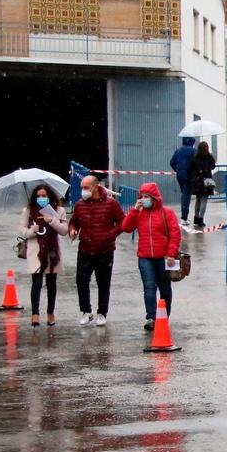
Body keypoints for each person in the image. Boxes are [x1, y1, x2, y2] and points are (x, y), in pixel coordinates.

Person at [121, 182, 182, 331]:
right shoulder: (139, 213)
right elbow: (126, 228)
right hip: (145, 257)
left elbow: (175, 234)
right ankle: (152, 317)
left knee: (164, 287)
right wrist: (134, 211)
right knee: (149, 287)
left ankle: (164, 316)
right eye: (142, 197)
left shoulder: (166, 213)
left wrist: (171, 253)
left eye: (147, 197)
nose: (144, 199)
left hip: (164, 258)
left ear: (154, 198)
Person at [68, 175, 125, 327]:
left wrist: (110, 235)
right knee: (81, 279)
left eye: (85, 187)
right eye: (82, 187)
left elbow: (122, 222)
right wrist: (73, 230)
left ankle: (102, 312)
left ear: (95, 187)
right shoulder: (80, 205)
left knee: (103, 282)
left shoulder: (111, 204)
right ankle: (86, 311)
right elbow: (74, 221)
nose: (83, 191)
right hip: (85, 249)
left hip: (105, 250)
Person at [19, 185, 68, 326]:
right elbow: (22, 231)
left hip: (53, 252)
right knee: (37, 283)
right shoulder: (28, 211)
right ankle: (35, 314)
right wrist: (32, 231)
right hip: (36, 251)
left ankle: (50, 313)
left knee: (51, 283)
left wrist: (52, 220)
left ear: (50, 196)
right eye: (38, 196)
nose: (41, 199)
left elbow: (64, 230)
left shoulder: (59, 210)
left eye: (44, 196)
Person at [189, 140, 217, 228]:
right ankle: (201, 219)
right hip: (206, 181)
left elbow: (191, 168)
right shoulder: (209, 157)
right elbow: (213, 166)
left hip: (197, 182)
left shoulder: (195, 157)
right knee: (204, 201)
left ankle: (196, 218)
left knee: (198, 200)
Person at [169, 136, 197, 223]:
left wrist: (178, 169)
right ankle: (184, 218)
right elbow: (195, 163)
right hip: (188, 175)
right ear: (192, 142)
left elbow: (171, 162)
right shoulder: (193, 151)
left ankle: (184, 216)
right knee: (186, 196)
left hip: (179, 175)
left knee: (184, 194)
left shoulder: (178, 150)